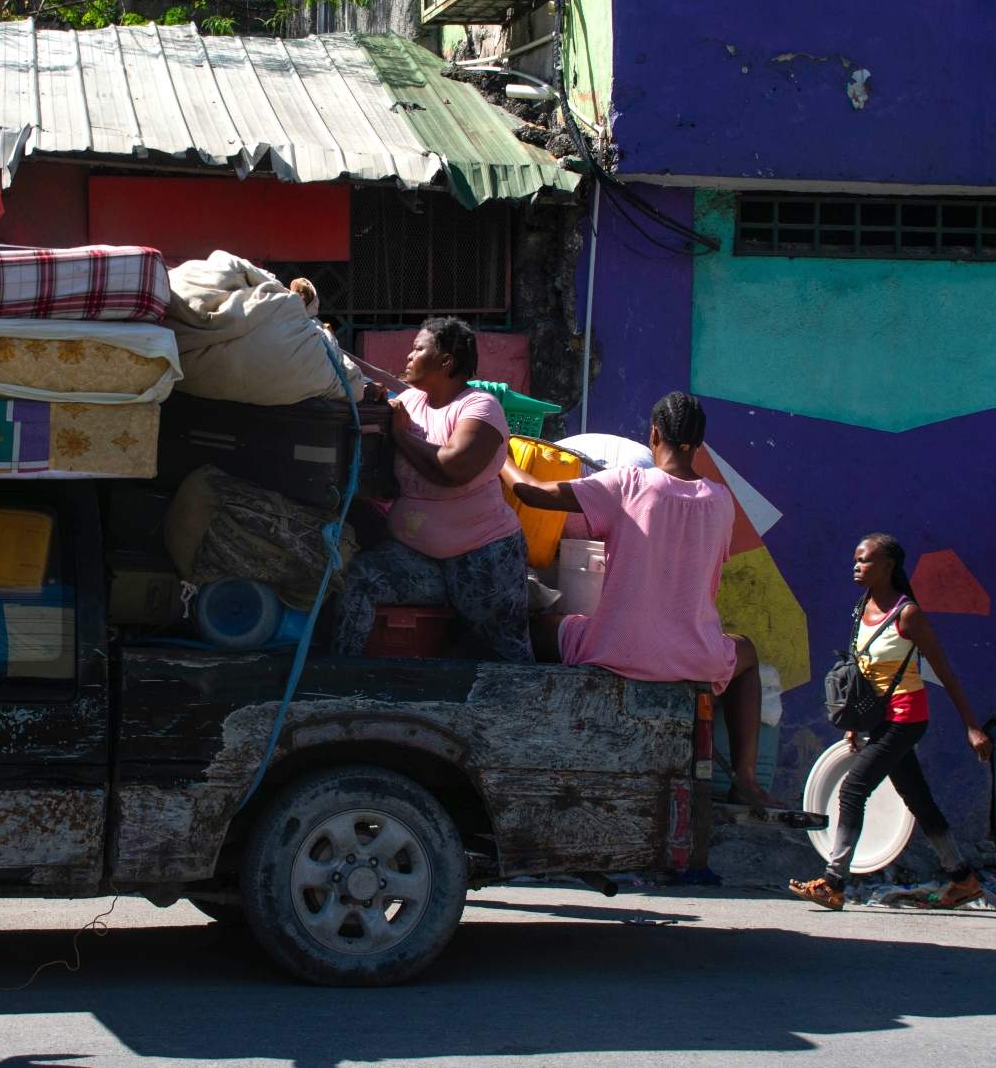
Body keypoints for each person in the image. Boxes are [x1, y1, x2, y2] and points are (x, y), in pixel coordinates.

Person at [502, 391, 783, 808]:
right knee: (747, 652)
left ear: (654, 434)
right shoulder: (722, 502)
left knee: (533, 626)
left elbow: (534, 493)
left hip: (617, 648)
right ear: (699, 443)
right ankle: (745, 778)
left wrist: (499, 450)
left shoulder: (626, 483)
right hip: (695, 656)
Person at [788, 533, 993, 912]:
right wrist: (856, 722)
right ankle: (963, 879)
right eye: (855, 559)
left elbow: (944, 670)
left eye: (865, 560)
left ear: (888, 566)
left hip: (906, 718)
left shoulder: (908, 614)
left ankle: (833, 882)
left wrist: (971, 726)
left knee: (852, 790)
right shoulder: (862, 606)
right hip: (880, 720)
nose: (857, 565)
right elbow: (864, 669)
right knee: (918, 799)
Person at [334, 317, 533, 662]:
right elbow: (371, 375)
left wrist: (401, 435)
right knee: (358, 580)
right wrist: (332, 350)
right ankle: (342, 682)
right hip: (415, 557)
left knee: (505, 654)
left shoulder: (479, 407)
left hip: (484, 558)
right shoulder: (410, 403)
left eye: (418, 348)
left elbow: (452, 468)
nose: (409, 356)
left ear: (446, 361)